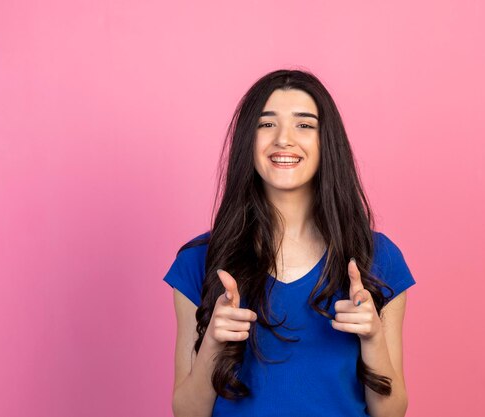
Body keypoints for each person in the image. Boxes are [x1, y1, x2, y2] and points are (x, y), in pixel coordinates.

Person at [163, 69, 416, 417]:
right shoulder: (199, 262)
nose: (283, 138)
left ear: (327, 142)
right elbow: (187, 413)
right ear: (246, 142)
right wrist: (212, 346)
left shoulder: (378, 258)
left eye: (304, 125)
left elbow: (392, 412)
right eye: (266, 124)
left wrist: (372, 339)